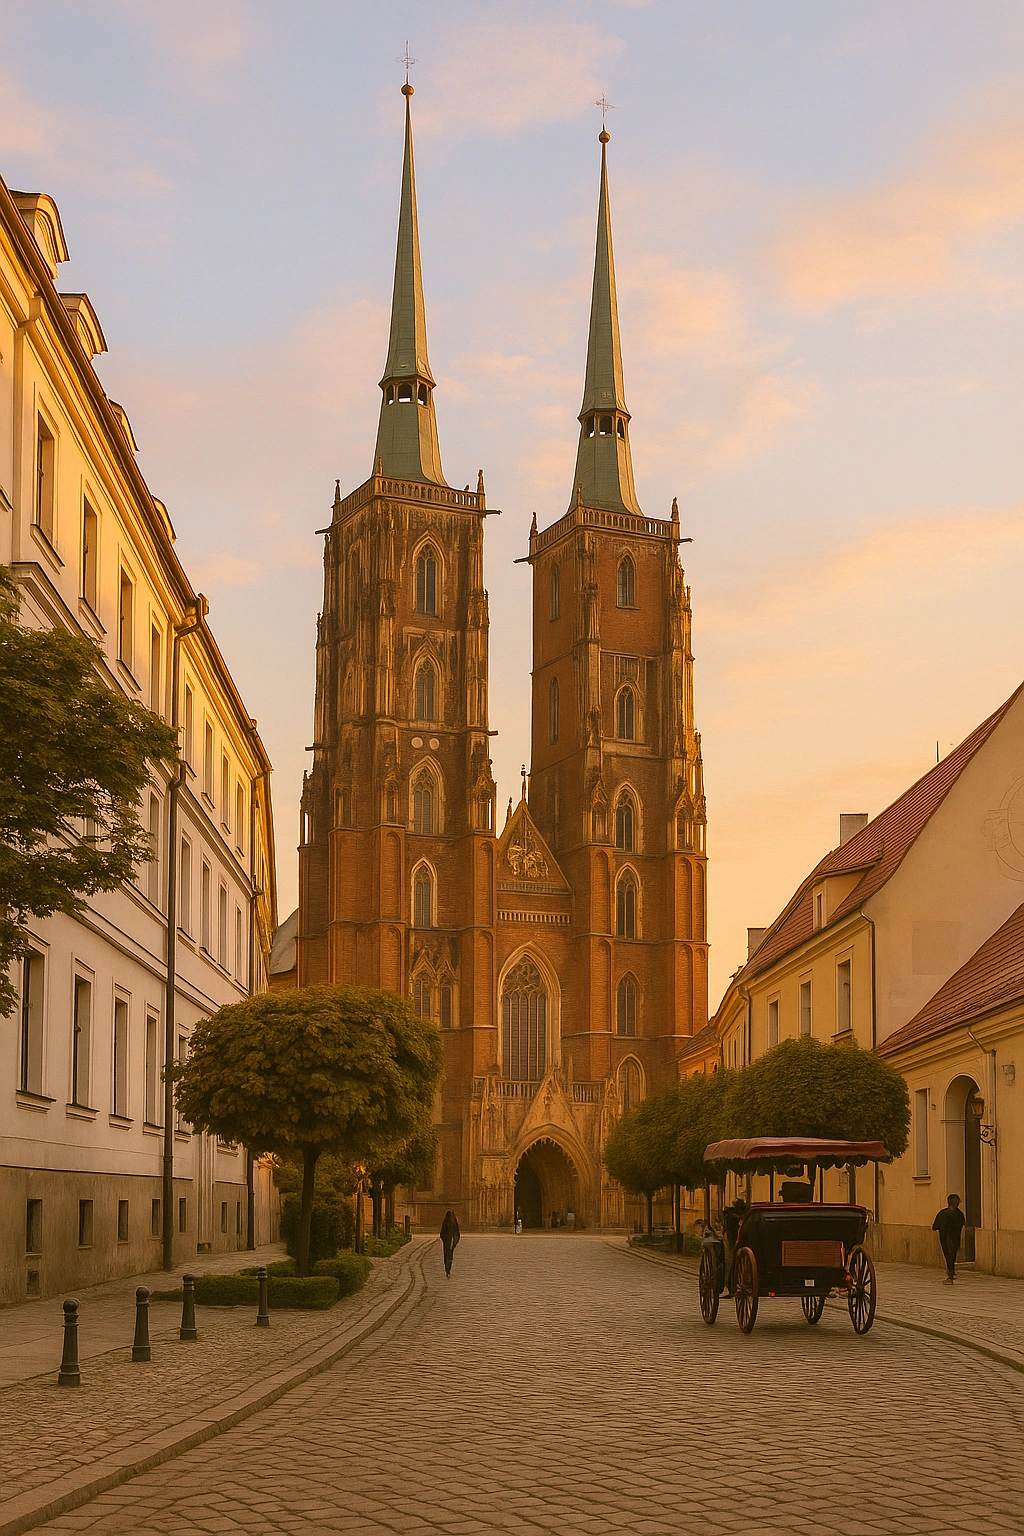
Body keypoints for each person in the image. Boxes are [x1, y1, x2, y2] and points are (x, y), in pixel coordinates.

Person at [932, 1194, 966, 1283]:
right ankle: (950, 1272)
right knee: (950, 1255)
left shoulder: (956, 1214)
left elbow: (936, 1226)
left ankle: (950, 1272)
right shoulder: (948, 1213)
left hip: (951, 1237)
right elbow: (936, 1226)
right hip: (947, 1237)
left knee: (950, 1255)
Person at [440, 1209, 460, 1278]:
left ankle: (447, 1269)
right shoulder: (453, 1221)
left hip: (447, 1241)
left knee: (446, 1255)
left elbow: (442, 1233)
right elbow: (457, 1232)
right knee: (450, 1255)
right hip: (450, 1240)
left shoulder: (446, 1220)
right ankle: (448, 1269)